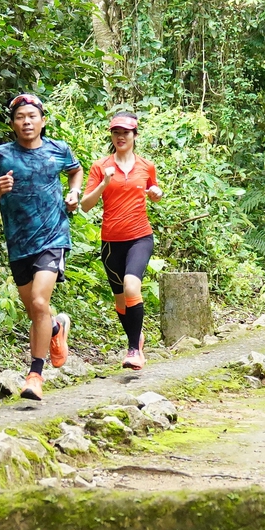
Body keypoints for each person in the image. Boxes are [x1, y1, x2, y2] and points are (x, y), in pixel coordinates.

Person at [0, 93, 81, 401]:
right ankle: (56, 328)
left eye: (32, 117)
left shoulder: (58, 150)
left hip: (53, 236)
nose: (27, 122)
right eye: (20, 117)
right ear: (12, 123)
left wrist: (74, 193)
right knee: (36, 312)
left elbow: (75, 170)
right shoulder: (1, 155)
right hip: (18, 241)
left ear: (43, 121)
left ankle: (35, 375)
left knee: (38, 302)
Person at [79, 110, 161, 371]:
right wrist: (103, 183)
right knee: (120, 301)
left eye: (126, 132)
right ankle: (136, 338)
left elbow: (153, 189)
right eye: (116, 132)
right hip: (111, 242)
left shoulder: (145, 166)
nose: (121, 137)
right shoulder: (100, 166)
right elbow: (85, 205)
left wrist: (156, 193)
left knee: (131, 288)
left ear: (135, 135)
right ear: (111, 136)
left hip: (140, 237)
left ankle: (134, 350)